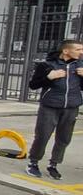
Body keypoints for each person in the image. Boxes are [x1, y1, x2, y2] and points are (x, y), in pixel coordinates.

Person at [25, 39, 83, 180]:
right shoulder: (47, 65)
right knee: (43, 135)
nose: (81, 53)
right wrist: (49, 77)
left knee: (64, 138)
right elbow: (33, 85)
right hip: (49, 106)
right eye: (78, 49)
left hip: (71, 107)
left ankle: (54, 165)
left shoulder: (80, 66)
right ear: (66, 51)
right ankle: (33, 162)